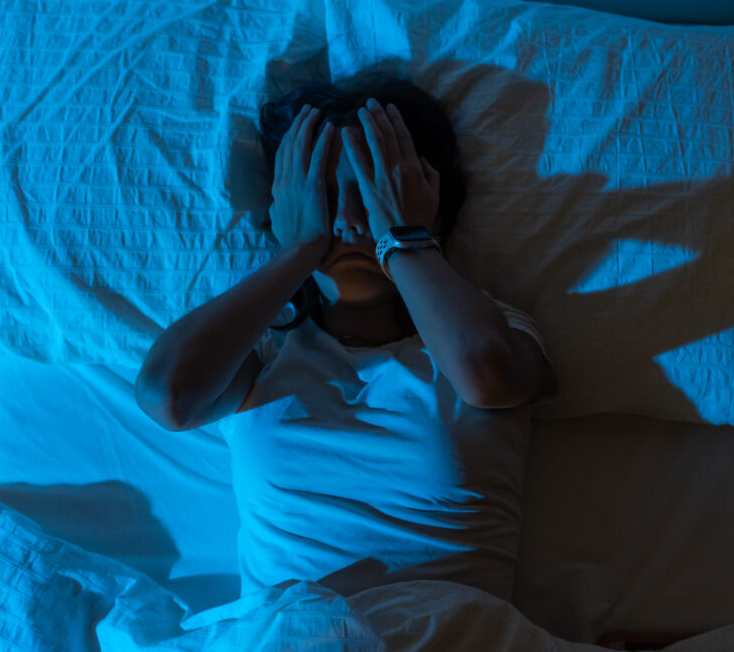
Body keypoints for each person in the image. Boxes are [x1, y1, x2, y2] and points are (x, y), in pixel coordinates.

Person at [134, 70, 559, 600]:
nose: (350, 223)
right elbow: (167, 396)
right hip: (290, 632)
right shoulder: (260, 350)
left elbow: (487, 377)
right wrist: (300, 248)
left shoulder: (489, 329)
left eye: (372, 195)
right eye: (325, 197)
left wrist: (403, 237)